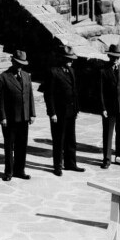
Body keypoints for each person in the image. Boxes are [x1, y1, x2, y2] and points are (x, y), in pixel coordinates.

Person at [0, 50, 35, 181]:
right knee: (9, 146)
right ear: (12, 61)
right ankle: (9, 171)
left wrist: (32, 113)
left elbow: (30, 95)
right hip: (10, 119)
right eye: (17, 63)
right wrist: (3, 117)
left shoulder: (26, 76)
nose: (20, 66)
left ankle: (20, 170)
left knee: (22, 145)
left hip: (24, 117)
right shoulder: (2, 78)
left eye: (22, 64)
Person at [45, 45, 84, 176]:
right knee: (58, 140)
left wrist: (76, 108)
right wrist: (52, 113)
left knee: (71, 139)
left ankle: (71, 163)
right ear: (62, 58)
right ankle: (58, 166)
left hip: (70, 111)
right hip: (59, 113)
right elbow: (48, 94)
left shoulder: (71, 71)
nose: (71, 61)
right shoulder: (53, 72)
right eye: (69, 59)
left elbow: (74, 91)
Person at [99, 44, 120, 169]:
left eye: (118, 57)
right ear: (109, 56)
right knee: (107, 134)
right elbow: (100, 91)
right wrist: (103, 108)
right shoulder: (103, 70)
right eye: (113, 57)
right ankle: (106, 159)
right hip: (109, 108)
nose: (116, 59)